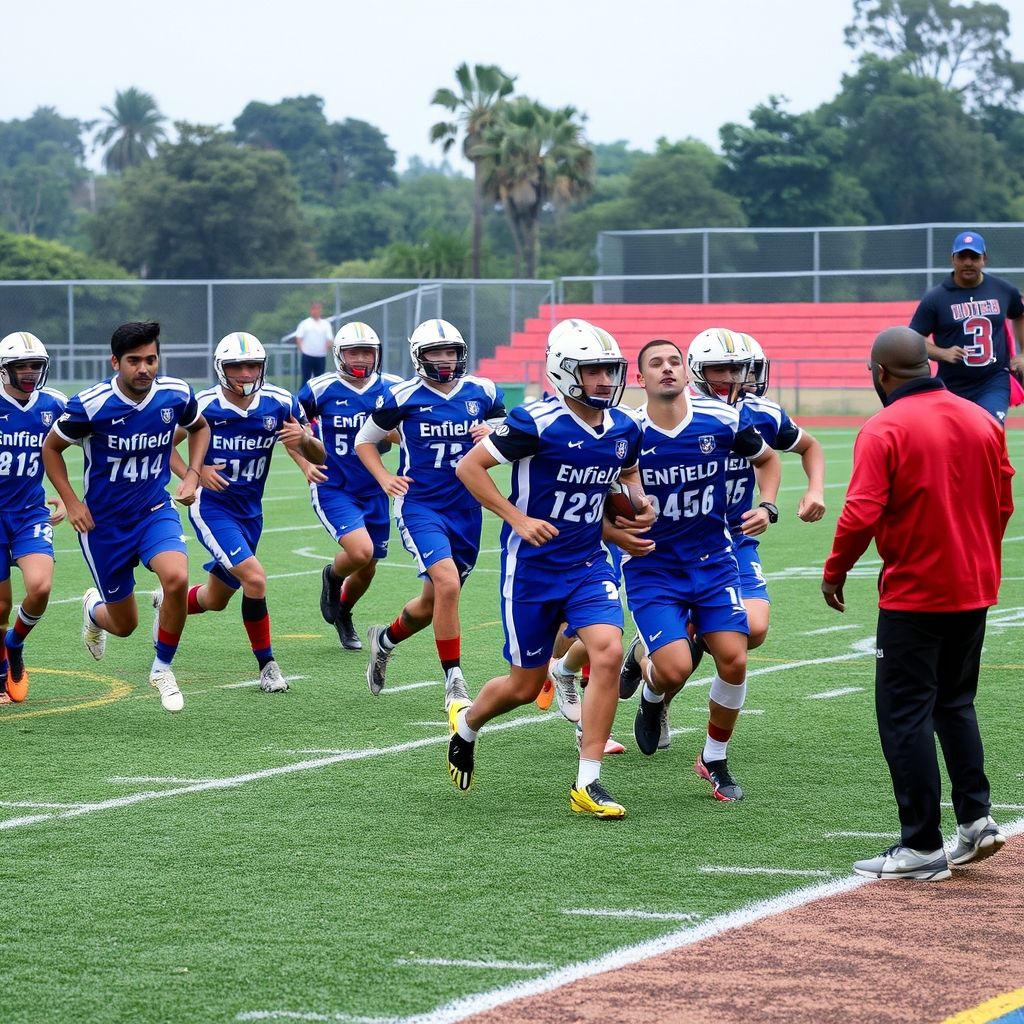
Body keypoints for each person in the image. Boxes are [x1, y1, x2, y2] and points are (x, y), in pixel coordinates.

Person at [822, 326, 1014, 881]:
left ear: (880, 373)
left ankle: (922, 845)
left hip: (915, 592)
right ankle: (975, 819)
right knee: (955, 703)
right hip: (974, 585)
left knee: (904, 715)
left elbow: (861, 511)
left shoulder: (884, 427)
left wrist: (835, 572)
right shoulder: (980, 418)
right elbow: (1003, 500)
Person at [448, 319, 653, 818]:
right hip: (532, 569)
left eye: (610, 370)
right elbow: (469, 467)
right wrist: (517, 518)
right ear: (564, 372)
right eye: (593, 370)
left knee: (607, 652)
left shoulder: (624, 426)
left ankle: (588, 781)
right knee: (522, 686)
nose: (605, 380)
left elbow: (626, 472)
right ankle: (468, 724)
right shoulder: (534, 422)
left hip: (588, 563)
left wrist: (636, 504)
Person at [617, 332, 780, 802]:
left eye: (674, 361)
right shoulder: (625, 430)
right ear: (640, 377)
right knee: (673, 669)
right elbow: (599, 491)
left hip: (714, 561)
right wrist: (617, 529)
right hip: (653, 565)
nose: (667, 368)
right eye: (656, 363)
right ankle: (652, 695)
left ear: (686, 372)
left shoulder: (722, 418)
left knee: (736, 657)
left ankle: (713, 758)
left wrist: (767, 506)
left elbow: (768, 459)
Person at [42, 321, 210, 713]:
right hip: (103, 525)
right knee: (124, 625)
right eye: (134, 360)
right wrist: (73, 502)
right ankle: (92, 609)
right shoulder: (90, 404)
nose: (144, 368)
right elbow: (51, 449)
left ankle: (162, 669)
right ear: (115, 362)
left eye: (151, 359)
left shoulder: (176, 393)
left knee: (177, 578)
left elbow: (199, 427)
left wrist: (192, 474)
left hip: (154, 511)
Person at [354, 319, 505, 707]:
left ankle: (384, 640)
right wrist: (385, 477)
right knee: (448, 585)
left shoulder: (484, 391)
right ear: (419, 357)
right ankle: (454, 680)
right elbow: (365, 440)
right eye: (435, 353)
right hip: (421, 505)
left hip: (467, 507)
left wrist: (494, 434)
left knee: (431, 603)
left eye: (450, 352)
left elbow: (506, 437)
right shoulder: (402, 395)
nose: (445, 359)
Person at [171, 332, 325, 693]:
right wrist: (195, 473)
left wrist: (304, 446)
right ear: (221, 369)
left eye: (252, 365)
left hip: (250, 511)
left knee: (215, 599)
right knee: (255, 578)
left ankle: (170, 604)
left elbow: (318, 453)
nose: (245, 373)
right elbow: (164, 447)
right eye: (236, 366)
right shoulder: (204, 404)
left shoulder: (279, 401)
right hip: (213, 507)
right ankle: (267, 665)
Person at [295, 322, 402, 651]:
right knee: (360, 551)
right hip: (334, 485)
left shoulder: (393, 388)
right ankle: (332, 576)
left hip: (375, 486)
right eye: (354, 352)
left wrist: (391, 435)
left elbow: (402, 432)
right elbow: (291, 427)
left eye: (367, 352)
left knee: (368, 568)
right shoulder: (320, 389)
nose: (361, 359)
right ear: (339, 354)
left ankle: (344, 612)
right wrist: (305, 463)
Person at [0, 332, 67, 705]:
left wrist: (70, 499)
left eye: (35, 365)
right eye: (21, 366)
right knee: (0, 606)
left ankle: (15, 644)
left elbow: (94, 439)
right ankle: (0, 676)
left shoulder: (54, 404)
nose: (29, 372)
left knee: (40, 588)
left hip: (29, 514)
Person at [909, 230, 1024, 424]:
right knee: (956, 436)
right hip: (952, 385)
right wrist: (942, 353)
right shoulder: (936, 298)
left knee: (990, 426)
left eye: (974, 257)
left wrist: (1023, 354)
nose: (968, 262)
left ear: (984, 259)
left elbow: (1019, 314)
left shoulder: (1003, 290)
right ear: (953, 259)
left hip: (994, 380)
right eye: (962, 257)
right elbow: (912, 341)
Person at [294, 302, 334, 383]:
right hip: (307, 355)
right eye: (314, 309)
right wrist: (302, 349)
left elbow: (329, 339)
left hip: (320, 356)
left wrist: (328, 349)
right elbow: (299, 337)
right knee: (305, 379)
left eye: (318, 309)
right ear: (311, 310)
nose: (316, 311)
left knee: (319, 380)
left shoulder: (326, 324)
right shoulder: (305, 323)